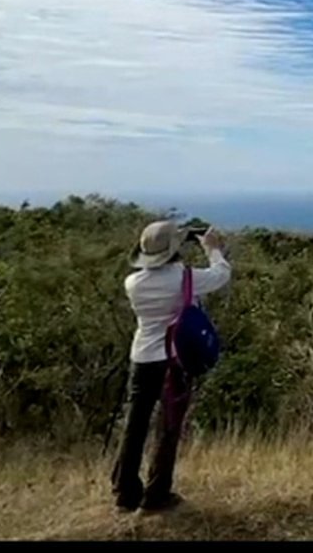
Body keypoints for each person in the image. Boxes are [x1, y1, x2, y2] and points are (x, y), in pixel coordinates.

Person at [111, 220, 232, 513]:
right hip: (173, 360)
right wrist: (213, 249)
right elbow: (221, 275)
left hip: (141, 358)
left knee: (135, 425)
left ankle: (124, 492)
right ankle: (157, 495)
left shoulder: (133, 283)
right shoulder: (184, 278)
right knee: (167, 427)